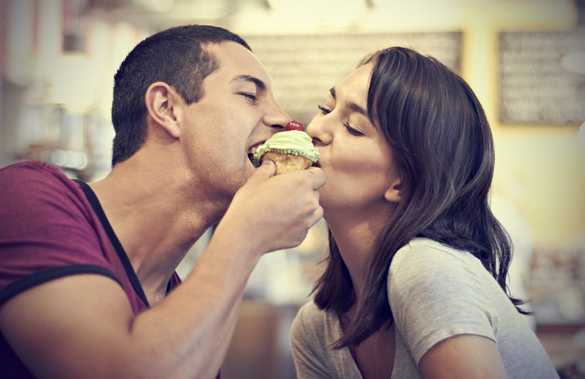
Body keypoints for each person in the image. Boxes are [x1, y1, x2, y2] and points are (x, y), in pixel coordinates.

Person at [0, 25, 325, 378]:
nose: (283, 118)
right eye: (249, 95)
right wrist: (248, 234)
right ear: (167, 108)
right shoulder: (25, 194)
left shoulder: (180, 304)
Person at [290, 46, 558, 378]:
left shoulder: (425, 268)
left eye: (353, 127)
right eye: (325, 108)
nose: (315, 128)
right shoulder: (316, 329)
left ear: (402, 183)